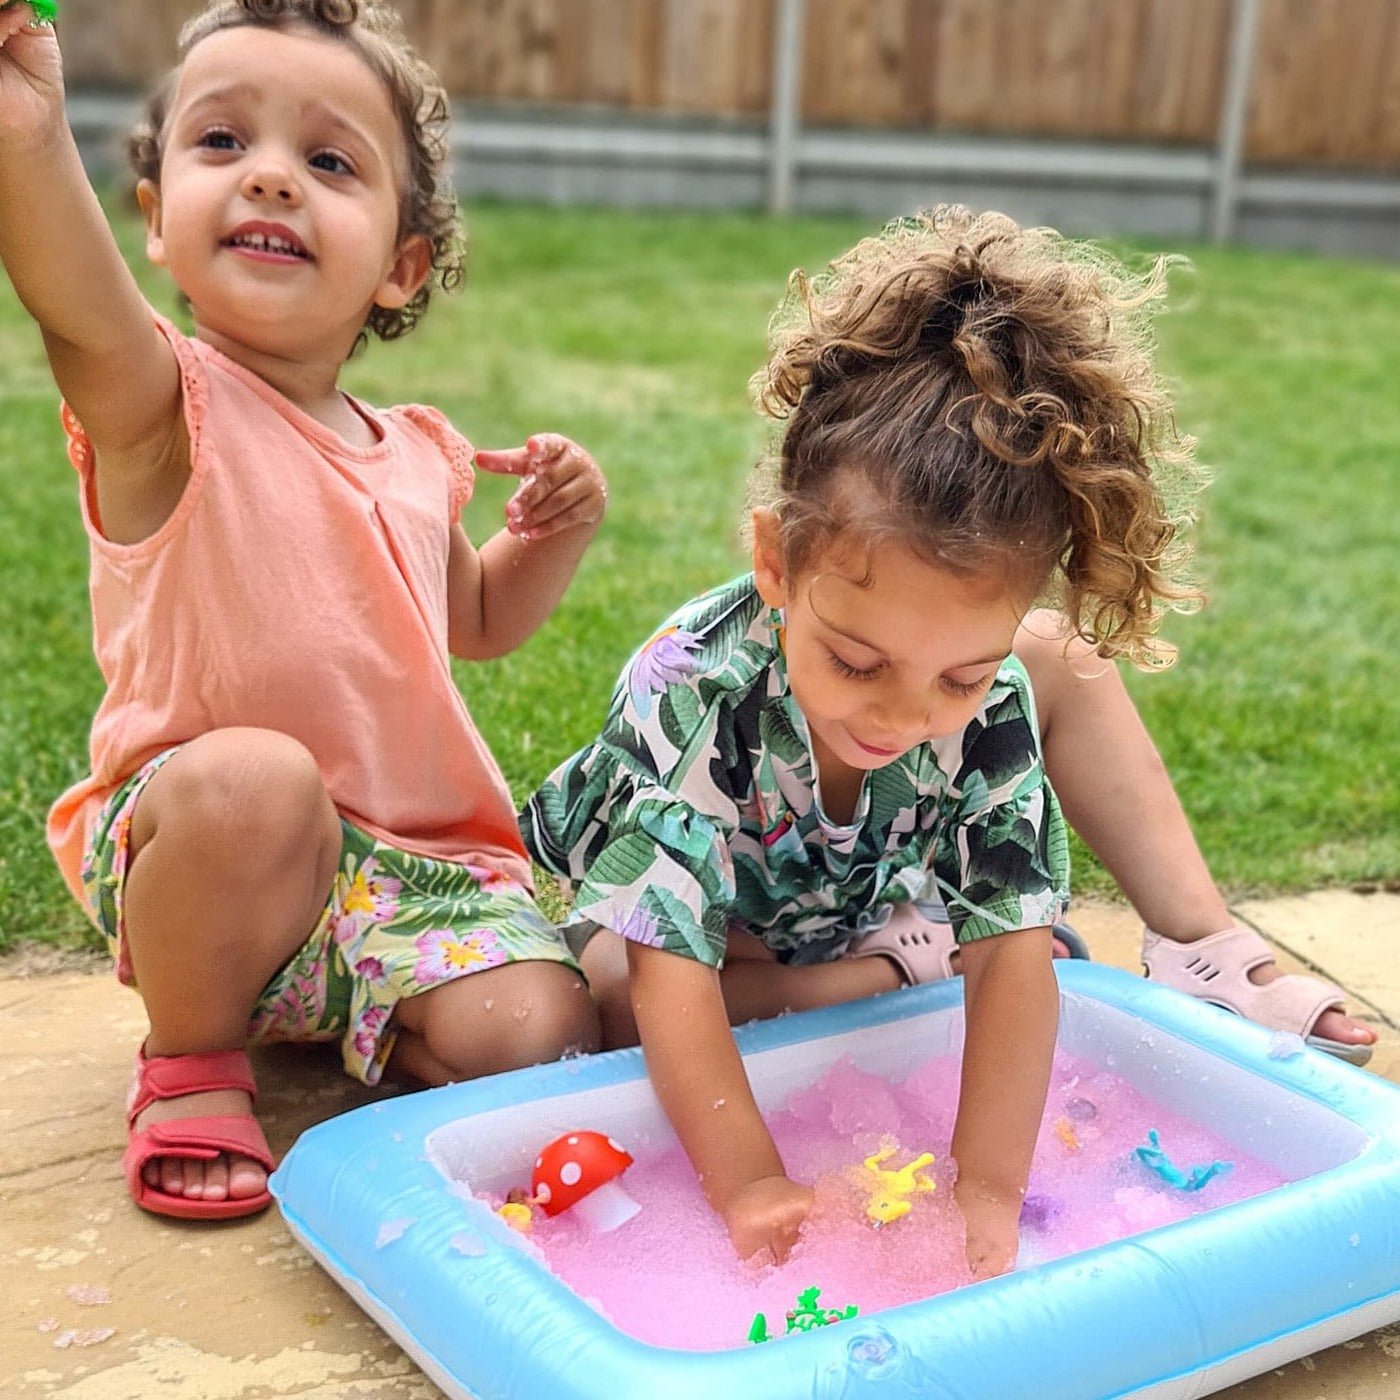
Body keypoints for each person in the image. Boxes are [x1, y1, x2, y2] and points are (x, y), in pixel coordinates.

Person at [521, 204, 1216, 1282]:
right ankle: (885, 970)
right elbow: (669, 977)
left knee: (983, 943)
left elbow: (1013, 959)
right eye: (853, 660)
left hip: (834, 903)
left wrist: (980, 1189)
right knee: (614, 992)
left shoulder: (986, 708)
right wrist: (751, 1179)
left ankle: (887, 962)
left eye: (961, 671)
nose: (899, 715)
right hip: (690, 938)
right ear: (775, 562)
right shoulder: (692, 686)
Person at [0, 0, 604, 1222]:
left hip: (405, 878)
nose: (270, 176)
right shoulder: (163, 408)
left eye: (329, 161)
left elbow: (471, 617)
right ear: (155, 218)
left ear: (400, 263)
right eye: (221, 143)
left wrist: (546, 539)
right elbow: (75, 307)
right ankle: (193, 1057)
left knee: (543, 1028)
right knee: (255, 783)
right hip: (219, 864)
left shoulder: (416, 450)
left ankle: (388, 1026)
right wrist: (26, 137)